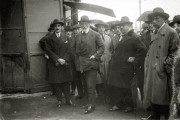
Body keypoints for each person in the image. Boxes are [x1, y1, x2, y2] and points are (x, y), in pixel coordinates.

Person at [143, 7, 179, 120]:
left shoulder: (171, 32)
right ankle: (155, 116)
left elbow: (175, 52)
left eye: (156, 19)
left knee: (164, 97)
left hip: (162, 71)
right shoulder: (156, 32)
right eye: (153, 19)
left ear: (163, 19)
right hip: (154, 70)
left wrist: (164, 65)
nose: (154, 21)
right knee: (154, 95)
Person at [108, 16, 147, 112]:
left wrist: (135, 60)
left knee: (126, 87)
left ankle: (129, 106)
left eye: (123, 25)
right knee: (117, 86)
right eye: (120, 26)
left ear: (129, 25)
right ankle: (118, 104)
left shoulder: (134, 36)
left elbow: (143, 50)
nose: (121, 27)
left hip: (126, 67)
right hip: (118, 67)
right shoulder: (122, 36)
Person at [72, 15, 104, 114]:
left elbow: (102, 47)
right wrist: (77, 58)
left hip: (91, 64)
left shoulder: (95, 34)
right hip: (81, 65)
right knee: (85, 85)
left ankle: (91, 105)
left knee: (90, 85)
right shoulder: (77, 36)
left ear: (89, 24)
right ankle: (88, 103)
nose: (84, 25)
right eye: (82, 23)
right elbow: (72, 48)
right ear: (80, 24)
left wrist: (95, 55)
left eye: (86, 23)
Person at [45, 19, 74, 107]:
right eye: (55, 26)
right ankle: (59, 100)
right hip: (55, 63)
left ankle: (68, 100)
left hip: (64, 64)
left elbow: (69, 50)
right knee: (57, 83)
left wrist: (64, 59)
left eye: (59, 26)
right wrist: (58, 59)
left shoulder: (66, 37)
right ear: (53, 28)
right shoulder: (48, 38)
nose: (57, 28)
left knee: (66, 82)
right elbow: (48, 51)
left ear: (61, 27)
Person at [95, 20, 111, 99]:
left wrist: (109, 57)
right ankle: (99, 93)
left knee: (106, 77)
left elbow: (110, 49)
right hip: (99, 60)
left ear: (105, 28)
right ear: (97, 28)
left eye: (103, 27)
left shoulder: (108, 38)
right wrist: (98, 56)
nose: (101, 29)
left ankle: (106, 93)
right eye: (99, 27)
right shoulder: (95, 37)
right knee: (99, 78)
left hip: (107, 60)